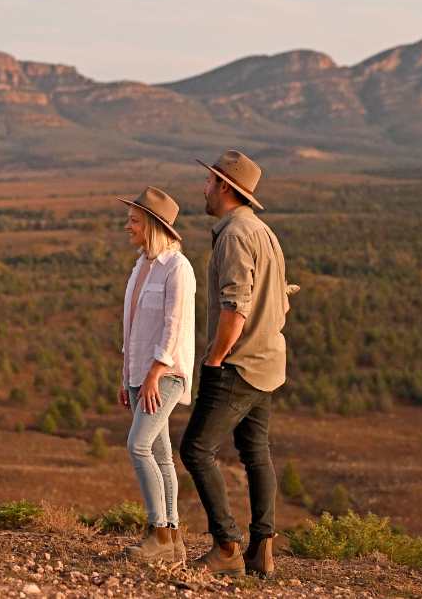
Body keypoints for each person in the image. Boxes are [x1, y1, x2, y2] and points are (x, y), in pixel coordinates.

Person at [180, 149, 298, 577]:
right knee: (255, 452)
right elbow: (281, 298)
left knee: (195, 448)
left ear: (225, 187)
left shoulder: (233, 234)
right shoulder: (262, 230)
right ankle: (261, 549)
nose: (204, 188)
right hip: (268, 363)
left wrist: (214, 359)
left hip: (238, 366)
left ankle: (227, 545)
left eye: (209, 181)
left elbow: (235, 306)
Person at [116, 187, 196, 565]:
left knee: (139, 446)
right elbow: (133, 327)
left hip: (164, 375)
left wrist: (153, 374)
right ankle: (175, 540)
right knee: (162, 454)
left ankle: (158, 533)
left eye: (134, 221)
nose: (127, 226)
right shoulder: (141, 266)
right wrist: (126, 375)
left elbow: (173, 326)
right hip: (139, 374)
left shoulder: (178, 269)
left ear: (152, 225)